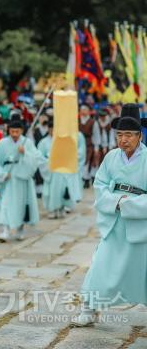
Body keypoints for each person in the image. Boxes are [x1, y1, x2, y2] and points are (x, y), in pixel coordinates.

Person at [73, 104, 147, 327]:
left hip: (141, 224)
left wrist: (132, 205)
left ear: (139, 136)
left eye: (128, 135)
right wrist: (117, 202)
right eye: (119, 135)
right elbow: (100, 185)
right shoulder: (111, 157)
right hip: (115, 221)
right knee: (101, 263)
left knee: (143, 270)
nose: (123, 140)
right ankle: (90, 307)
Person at [0, 115, 41, 241]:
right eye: (12, 131)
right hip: (8, 177)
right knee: (5, 202)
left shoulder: (27, 143)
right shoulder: (2, 143)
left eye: (17, 131)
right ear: (8, 130)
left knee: (22, 203)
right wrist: (2, 173)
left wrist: (25, 153)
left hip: (22, 177)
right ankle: (5, 230)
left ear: (22, 131)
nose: (14, 134)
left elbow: (36, 159)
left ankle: (20, 229)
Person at [37, 121, 86, 218]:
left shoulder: (62, 141)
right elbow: (39, 157)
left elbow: (70, 153)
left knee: (62, 189)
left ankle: (61, 208)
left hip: (62, 170)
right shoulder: (43, 142)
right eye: (51, 130)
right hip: (50, 170)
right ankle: (52, 210)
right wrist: (49, 162)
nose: (52, 132)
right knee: (50, 192)